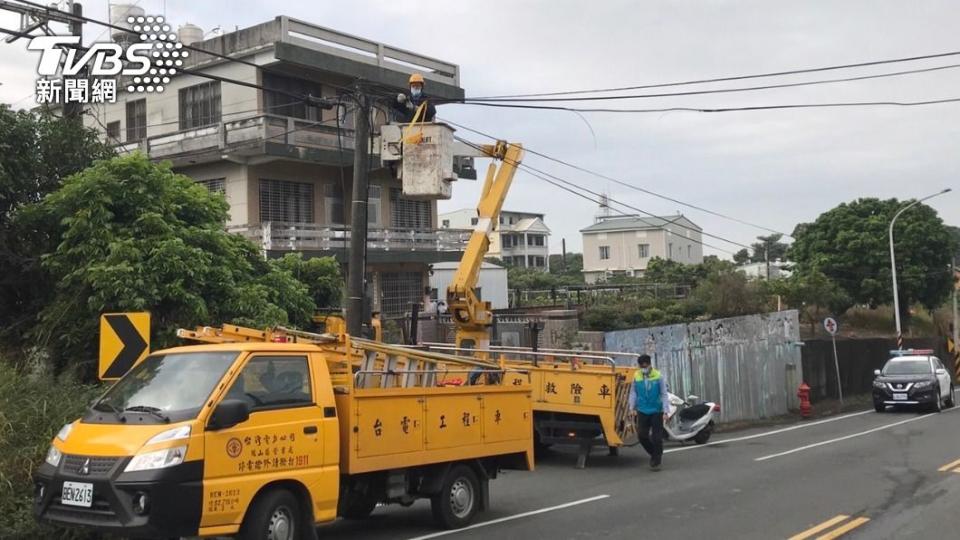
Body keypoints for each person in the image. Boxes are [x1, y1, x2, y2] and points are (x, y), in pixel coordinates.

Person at [628, 354, 670, 470]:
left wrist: (666, 411)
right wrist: (631, 407)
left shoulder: (658, 375)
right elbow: (633, 392)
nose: (644, 368)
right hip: (642, 410)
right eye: (642, 366)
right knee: (642, 436)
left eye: (646, 365)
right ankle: (655, 453)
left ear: (650, 364)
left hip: (656, 410)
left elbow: (663, 393)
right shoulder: (636, 376)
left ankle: (656, 460)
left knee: (657, 437)